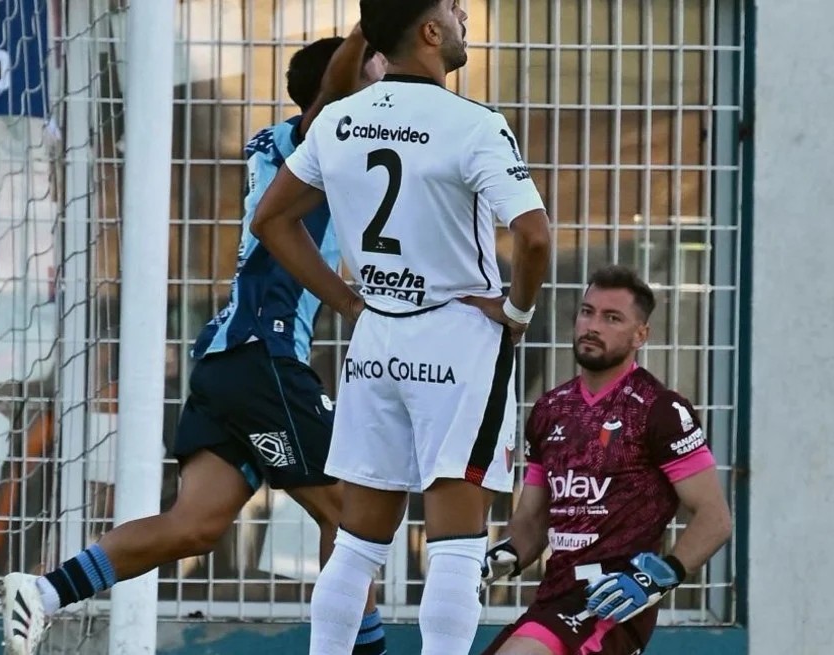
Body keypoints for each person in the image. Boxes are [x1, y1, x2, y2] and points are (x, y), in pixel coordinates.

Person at [0, 29, 388, 655]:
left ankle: (43, 593)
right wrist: (375, 18)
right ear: (337, 86)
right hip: (264, 355)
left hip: (228, 360)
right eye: (375, 62)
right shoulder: (316, 134)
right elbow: (341, 89)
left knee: (195, 525)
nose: (384, 71)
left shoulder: (296, 150)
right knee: (352, 513)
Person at [249, 1, 552, 653]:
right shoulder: (473, 125)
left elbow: (270, 222)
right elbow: (532, 237)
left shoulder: (339, 121)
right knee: (457, 542)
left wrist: (348, 303)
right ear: (428, 31)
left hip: (377, 338)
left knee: (358, 541)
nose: (464, 13)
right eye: (451, 6)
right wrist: (518, 314)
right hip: (457, 336)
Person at [478, 265, 733, 655]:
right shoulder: (550, 409)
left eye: (612, 318)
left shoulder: (660, 409)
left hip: (612, 603)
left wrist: (658, 576)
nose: (592, 325)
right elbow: (531, 521)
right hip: (553, 598)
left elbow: (715, 519)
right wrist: (496, 560)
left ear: (640, 335)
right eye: (587, 312)